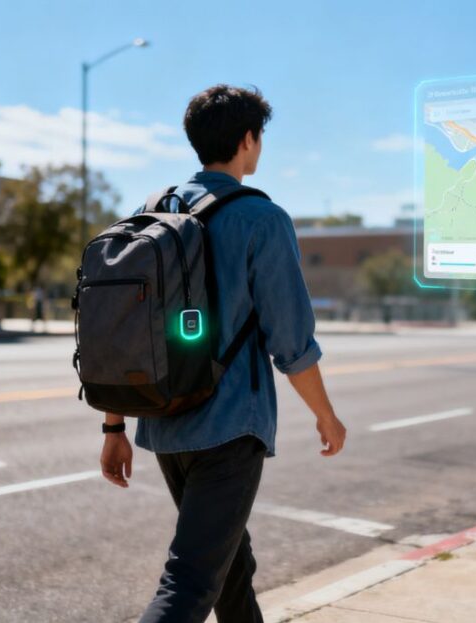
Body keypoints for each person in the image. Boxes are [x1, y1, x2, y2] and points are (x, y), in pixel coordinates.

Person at [98, 85, 347, 623]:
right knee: (189, 581)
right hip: (230, 427)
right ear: (247, 141)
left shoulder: (149, 212)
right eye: (260, 137)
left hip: (164, 424)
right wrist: (326, 415)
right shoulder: (261, 218)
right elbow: (291, 340)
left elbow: (115, 333)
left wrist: (114, 427)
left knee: (229, 567)